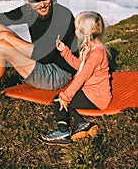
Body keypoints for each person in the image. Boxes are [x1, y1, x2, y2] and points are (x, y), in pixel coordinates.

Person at [40, 11, 112, 145]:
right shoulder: (91, 48)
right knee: (66, 102)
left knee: (58, 101)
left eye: (77, 28)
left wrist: (65, 96)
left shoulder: (97, 53)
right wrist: (64, 51)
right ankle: (82, 124)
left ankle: (62, 132)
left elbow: (82, 77)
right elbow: (80, 67)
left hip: (96, 97)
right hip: (92, 92)